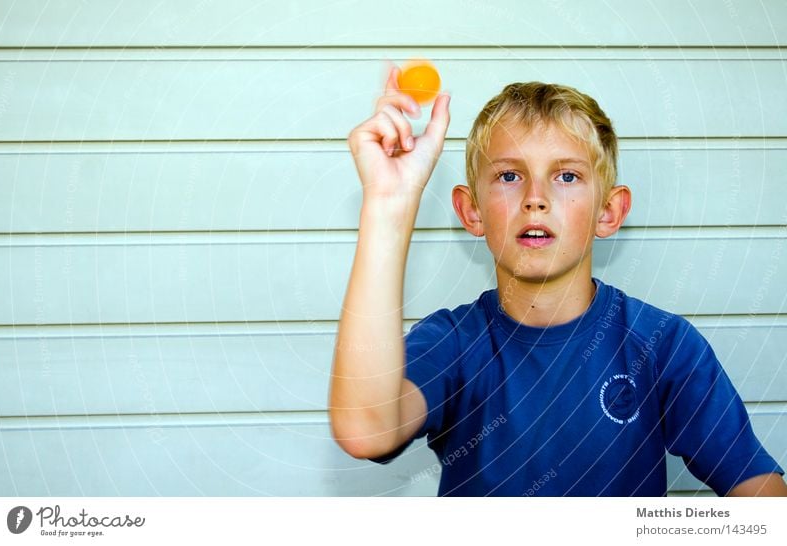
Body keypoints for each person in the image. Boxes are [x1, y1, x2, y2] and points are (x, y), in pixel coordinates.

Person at [328, 64, 786, 496]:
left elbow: (763, 498)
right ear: (472, 211)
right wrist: (389, 204)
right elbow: (366, 430)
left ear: (609, 212)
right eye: (509, 175)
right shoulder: (452, 344)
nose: (535, 198)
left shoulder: (663, 346)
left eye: (566, 176)